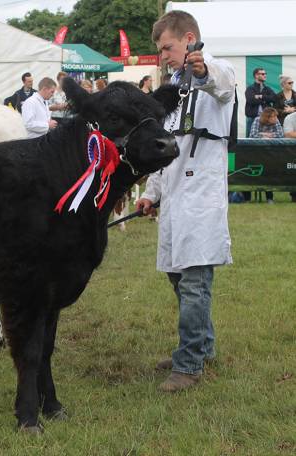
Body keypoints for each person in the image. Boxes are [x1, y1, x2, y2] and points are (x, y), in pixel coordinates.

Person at [136, 10, 236, 392]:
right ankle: (201, 347)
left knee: (195, 283)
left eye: (168, 48)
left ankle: (189, 364)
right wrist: (150, 195)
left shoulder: (215, 71)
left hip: (201, 199)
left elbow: (222, 84)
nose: (163, 56)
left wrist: (202, 68)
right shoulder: (173, 90)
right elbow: (167, 148)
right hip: (176, 197)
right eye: (160, 51)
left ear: (190, 38)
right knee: (178, 277)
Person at [249, 107, 284, 204]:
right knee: (253, 174)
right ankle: (247, 198)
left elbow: (281, 135)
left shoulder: (276, 121)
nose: (276, 119)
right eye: (273, 117)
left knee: (269, 174)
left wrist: (263, 135)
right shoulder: (257, 120)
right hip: (257, 153)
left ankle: (270, 198)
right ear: (267, 117)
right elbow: (252, 135)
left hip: (271, 153)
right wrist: (267, 135)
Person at [245, 68, 276, 137]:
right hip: (253, 118)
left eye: (265, 74)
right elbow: (251, 100)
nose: (265, 75)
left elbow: (274, 98)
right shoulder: (250, 88)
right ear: (256, 75)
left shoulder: (267, 88)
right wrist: (266, 99)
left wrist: (261, 96)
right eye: (262, 74)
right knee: (250, 141)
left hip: (266, 119)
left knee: (267, 140)